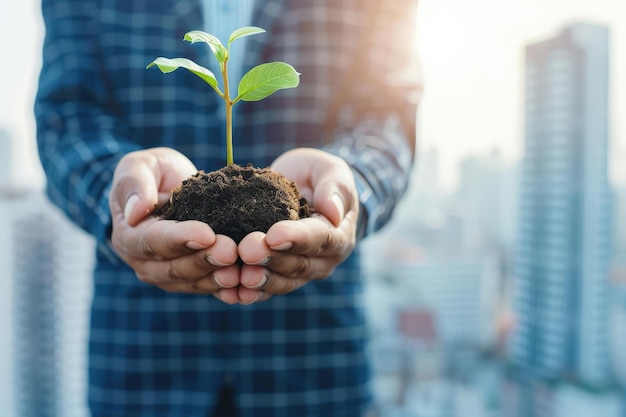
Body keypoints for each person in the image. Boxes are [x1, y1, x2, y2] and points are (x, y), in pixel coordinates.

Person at [35, 0, 422, 416]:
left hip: (313, 361)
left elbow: (386, 115)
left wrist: (349, 182)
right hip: (143, 361)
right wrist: (121, 192)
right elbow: (68, 115)